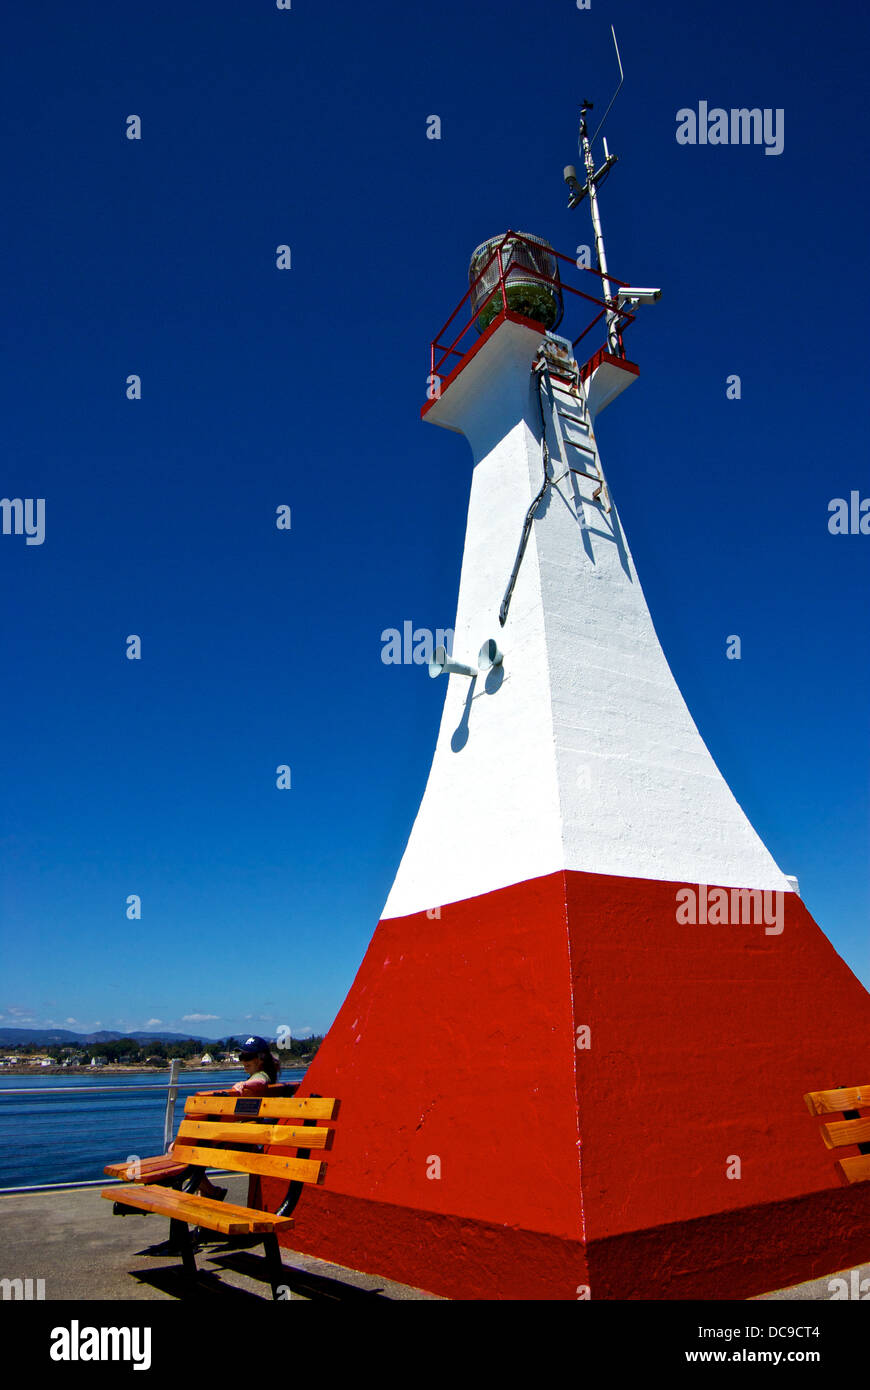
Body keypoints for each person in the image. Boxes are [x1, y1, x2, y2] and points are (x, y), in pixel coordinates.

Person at [193, 1035, 281, 1203]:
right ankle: (208, 1193)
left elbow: (260, 1083)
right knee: (188, 1152)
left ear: (260, 1059)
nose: (243, 1061)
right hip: (242, 1134)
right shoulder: (260, 1075)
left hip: (241, 1138)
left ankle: (210, 1192)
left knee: (184, 1152)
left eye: (248, 1057)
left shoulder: (260, 1076)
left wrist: (244, 1085)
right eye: (242, 1057)